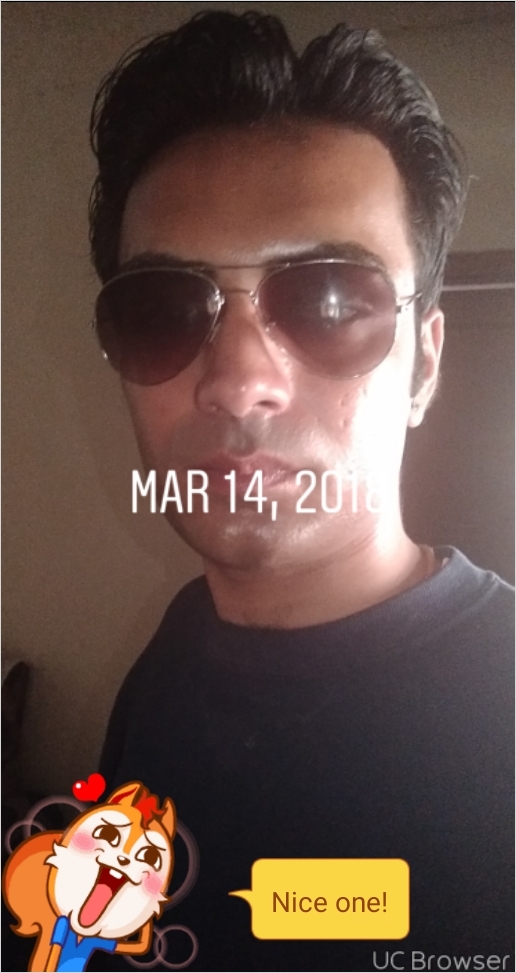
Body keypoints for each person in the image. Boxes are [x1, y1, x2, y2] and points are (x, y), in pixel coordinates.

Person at [89, 11, 514, 972]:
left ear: (423, 365)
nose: (238, 381)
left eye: (328, 300)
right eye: (163, 310)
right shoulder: (170, 657)